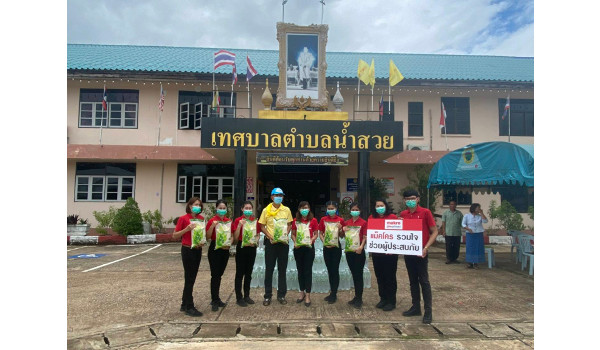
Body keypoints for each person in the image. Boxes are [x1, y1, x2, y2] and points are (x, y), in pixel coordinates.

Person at [399, 189, 438, 324]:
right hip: (408, 252)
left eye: (412, 198)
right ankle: (416, 307)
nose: (410, 201)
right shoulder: (403, 214)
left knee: (424, 281)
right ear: (404, 201)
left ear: (418, 199)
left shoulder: (425, 212)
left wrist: (426, 248)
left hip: (421, 253)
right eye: (407, 199)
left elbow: (434, 231)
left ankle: (428, 311)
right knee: (412, 281)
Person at [259, 187, 294, 306]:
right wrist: (269, 236)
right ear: (272, 197)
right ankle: (267, 295)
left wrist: (285, 234)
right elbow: (262, 226)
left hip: (283, 243)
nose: (279, 197)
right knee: (269, 269)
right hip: (271, 243)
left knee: (282, 269)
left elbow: (290, 224)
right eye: (276, 195)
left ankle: (281, 295)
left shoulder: (287, 210)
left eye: (281, 195)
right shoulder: (266, 210)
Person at [172, 197, 205, 317]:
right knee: (189, 278)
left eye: (199, 205)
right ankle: (189, 306)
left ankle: (184, 303)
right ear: (190, 206)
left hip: (198, 249)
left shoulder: (201, 219)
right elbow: (175, 235)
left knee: (192, 277)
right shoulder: (183, 219)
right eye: (196, 204)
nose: (198, 207)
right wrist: (187, 229)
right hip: (187, 249)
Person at [368, 198, 398, 311]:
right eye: (377, 206)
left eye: (381, 205)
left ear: (386, 206)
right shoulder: (372, 218)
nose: (379, 208)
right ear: (375, 208)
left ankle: (391, 301)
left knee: (390, 277)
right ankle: (383, 298)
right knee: (379, 277)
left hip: (390, 254)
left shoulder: (393, 218)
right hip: (377, 254)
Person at [231, 201, 261, 307]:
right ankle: (239, 297)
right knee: (240, 273)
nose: (248, 210)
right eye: (246, 208)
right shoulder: (238, 220)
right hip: (241, 247)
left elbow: (258, 234)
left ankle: (247, 295)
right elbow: (235, 238)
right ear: (242, 209)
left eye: (250, 208)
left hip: (251, 248)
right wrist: (239, 226)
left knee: (249, 273)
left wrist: (256, 240)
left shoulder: (254, 221)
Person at [290, 201, 319, 307]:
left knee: (308, 271)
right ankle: (301, 292)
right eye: (302, 208)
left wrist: (312, 240)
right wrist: (295, 242)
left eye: (306, 208)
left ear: (309, 209)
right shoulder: (295, 221)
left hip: (309, 249)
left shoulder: (313, 220)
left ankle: (308, 295)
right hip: (298, 249)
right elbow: (293, 234)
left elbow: (316, 234)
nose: (304, 210)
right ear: (299, 209)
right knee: (300, 271)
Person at [206, 199, 232, 312]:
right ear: (216, 208)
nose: (222, 210)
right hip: (215, 249)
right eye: (220, 208)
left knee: (220, 274)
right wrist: (212, 226)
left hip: (225, 250)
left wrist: (229, 243)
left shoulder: (228, 221)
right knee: (215, 275)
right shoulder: (212, 220)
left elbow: (231, 236)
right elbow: (207, 236)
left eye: (224, 208)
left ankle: (217, 298)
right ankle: (214, 300)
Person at [318, 201, 345, 304]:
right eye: (329, 208)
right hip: (326, 248)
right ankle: (331, 292)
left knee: (335, 270)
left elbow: (342, 235)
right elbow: (320, 233)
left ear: (336, 209)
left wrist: (341, 229)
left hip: (336, 248)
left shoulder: (340, 220)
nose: (330, 210)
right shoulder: (323, 220)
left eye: (332, 208)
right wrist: (324, 241)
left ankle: (334, 293)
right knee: (329, 270)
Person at [343, 202, 368, 309]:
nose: (354, 211)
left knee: (358, 275)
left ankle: (359, 298)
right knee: (354, 274)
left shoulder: (363, 222)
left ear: (360, 211)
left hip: (359, 252)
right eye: (352, 209)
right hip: (349, 252)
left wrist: (361, 247)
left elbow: (365, 237)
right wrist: (342, 230)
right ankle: (356, 296)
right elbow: (345, 236)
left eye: (356, 209)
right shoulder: (347, 222)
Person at [462, 203, 488, 269]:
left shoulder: (479, 216)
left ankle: (476, 263)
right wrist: (468, 229)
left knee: (478, 248)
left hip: (478, 234)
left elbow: (485, 221)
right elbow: (463, 224)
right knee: (470, 248)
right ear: (473, 208)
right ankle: (470, 263)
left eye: (479, 208)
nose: (478, 209)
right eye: (477, 208)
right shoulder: (467, 216)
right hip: (470, 234)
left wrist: (482, 213)